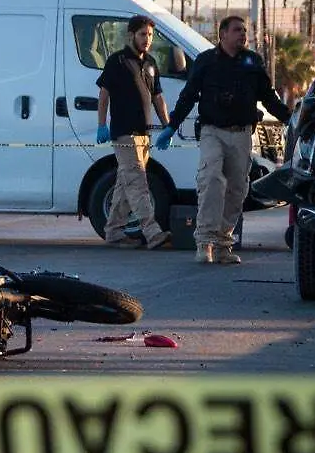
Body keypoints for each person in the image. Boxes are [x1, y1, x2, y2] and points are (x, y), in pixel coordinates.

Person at [155, 15, 291, 265]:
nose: (243, 34)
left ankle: (222, 245)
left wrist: (290, 118)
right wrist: (171, 126)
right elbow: (188, 95)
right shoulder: (207, 61)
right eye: (237, 30)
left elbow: (269, 97)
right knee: (212, 180)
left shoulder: (253, 62)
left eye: (245, 30)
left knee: (237, 189)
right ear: (223, 34)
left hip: (241, 134)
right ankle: (204, 241)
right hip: (212, 131)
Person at [95, 15, 172, 250]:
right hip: (124, 134)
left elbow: (158, 98)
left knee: (124, 184)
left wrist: (168, 126)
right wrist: (101, 124)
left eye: (149, 35)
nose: (147, 39)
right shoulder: (117, 61)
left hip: (144, 135)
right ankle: (153, 232)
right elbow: (104, 95)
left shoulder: (150, 63)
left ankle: (114, 231)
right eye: (142, 34)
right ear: (131, 35)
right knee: (138, 183)